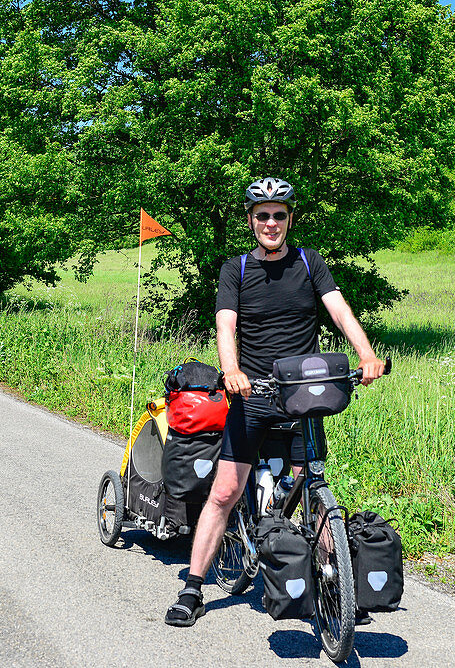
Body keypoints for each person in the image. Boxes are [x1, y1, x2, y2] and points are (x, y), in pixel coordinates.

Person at [165, 177, 387, 627]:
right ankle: (192, 588)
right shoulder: (237, 269)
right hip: (253, 395)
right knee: (225, 492)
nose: (270, 222)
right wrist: (232, 371)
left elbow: (339, 311)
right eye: (262, 215)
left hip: (302, 396)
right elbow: (226, 326)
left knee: (312, 489)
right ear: (251, 220)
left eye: (278, 215)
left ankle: (336, 585)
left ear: (290, 219)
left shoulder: (309, 262)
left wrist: (365, 353)